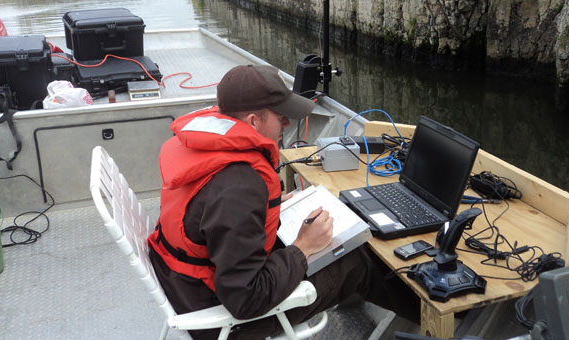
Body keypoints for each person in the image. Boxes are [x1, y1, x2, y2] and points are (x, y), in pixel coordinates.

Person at [148, 64, 417, 339]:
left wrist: (269, 207)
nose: (286, 123)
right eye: (280, 116)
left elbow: (214, 218)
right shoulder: (239, 187)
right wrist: (303, 248)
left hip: (186, 287)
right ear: (253, 121)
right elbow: (246, 300)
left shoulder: (201, 145)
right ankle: (437, 322)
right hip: (223, 321)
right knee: (360, 261)